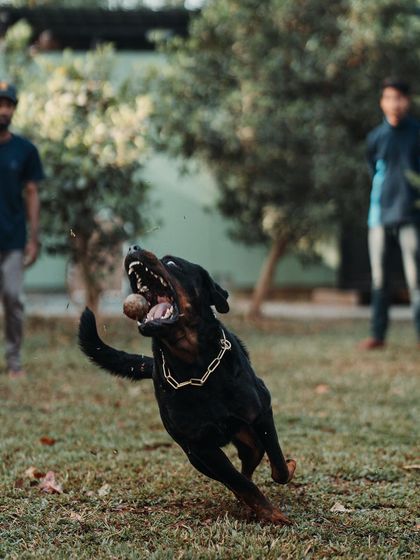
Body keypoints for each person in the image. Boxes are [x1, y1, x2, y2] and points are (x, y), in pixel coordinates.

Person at [361, 77, 420, 349]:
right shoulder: (375, 137)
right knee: (380, 280)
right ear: (381, 102)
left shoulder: (417, 133)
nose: (393, 103)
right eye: (388, 97)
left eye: (398, 97)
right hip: (379, 217)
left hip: (411, 217)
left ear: (407, 100)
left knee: (416, 279)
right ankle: (378, 335)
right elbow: (374, 172)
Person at [0, 81, 44, 376]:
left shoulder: (25, 150)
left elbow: (31, 193)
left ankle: (14, 360)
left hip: (13, 239)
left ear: (14, 109)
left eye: (8, 104)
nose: (3, 110)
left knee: (13, 298)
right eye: (0, 103)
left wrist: (34, 237)